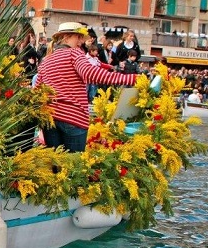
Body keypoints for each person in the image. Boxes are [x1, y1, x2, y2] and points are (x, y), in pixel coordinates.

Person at [34, 22, 138, 153]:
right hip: (73, 118)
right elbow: (91, 73)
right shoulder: (74, 53)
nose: (82, 41)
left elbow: (37, 90)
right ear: (66, 37)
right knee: (74, 167)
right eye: (79, 37)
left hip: (49, 120)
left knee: (55, 168)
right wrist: (130, 78)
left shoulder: (46, 60)